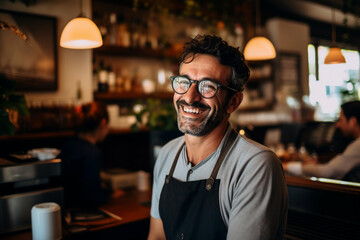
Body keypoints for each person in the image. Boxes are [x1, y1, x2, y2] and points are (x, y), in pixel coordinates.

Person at [148, 35, 288, 240]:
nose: (189, 96)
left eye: (208, 86)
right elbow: (157, 237)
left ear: (233, 102)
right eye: (183, 82)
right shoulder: (168, 153)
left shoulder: (255, 165)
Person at [284, 100, 360, 182]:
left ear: (353, 121)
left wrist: (288, 166)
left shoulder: (358, 145)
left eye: (340, 120)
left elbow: (327, 172)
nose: (337, 125)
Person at [59, 101, 116, 208]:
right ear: (103, 123)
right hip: (81, 211)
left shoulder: (67, 145)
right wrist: (109, 194)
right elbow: (92, 196)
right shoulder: (92, 153)